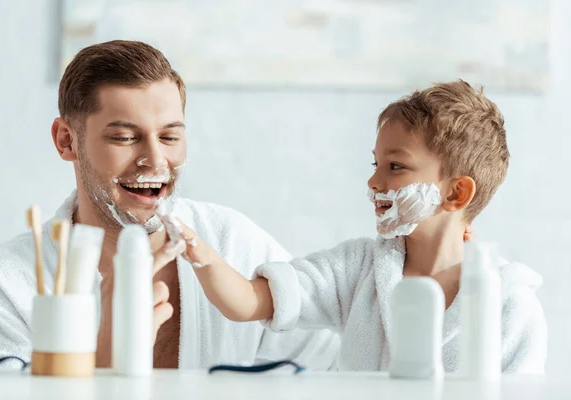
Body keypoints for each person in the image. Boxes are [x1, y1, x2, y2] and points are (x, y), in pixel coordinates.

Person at [0, 40, 339, 369]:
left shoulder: (235, 245)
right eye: (125, 137)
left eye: (169, 136)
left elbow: (333, 367)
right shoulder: (4, 287)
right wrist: (103, 359)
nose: (155, 159)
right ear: (67, 141)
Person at [168, 80, 547, 373]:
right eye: (375, 165)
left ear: (457, 193)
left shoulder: (511, 308)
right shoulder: (357, 269)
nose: (374, 182)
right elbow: (249, 302)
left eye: (395, 167)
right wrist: (199, 252)